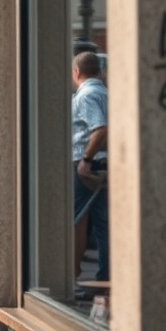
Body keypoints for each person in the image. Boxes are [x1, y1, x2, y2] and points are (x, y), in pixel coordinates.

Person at [72, 50, 109, 285]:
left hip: (87, 165)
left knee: (76, 221)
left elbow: (100, 129)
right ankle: (105, 279)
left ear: (76, 72)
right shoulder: (106, 93)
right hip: (105, 164)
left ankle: (71, 279)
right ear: (99, 71)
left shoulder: (86, 95)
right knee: (103, 224)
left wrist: (85, 159)